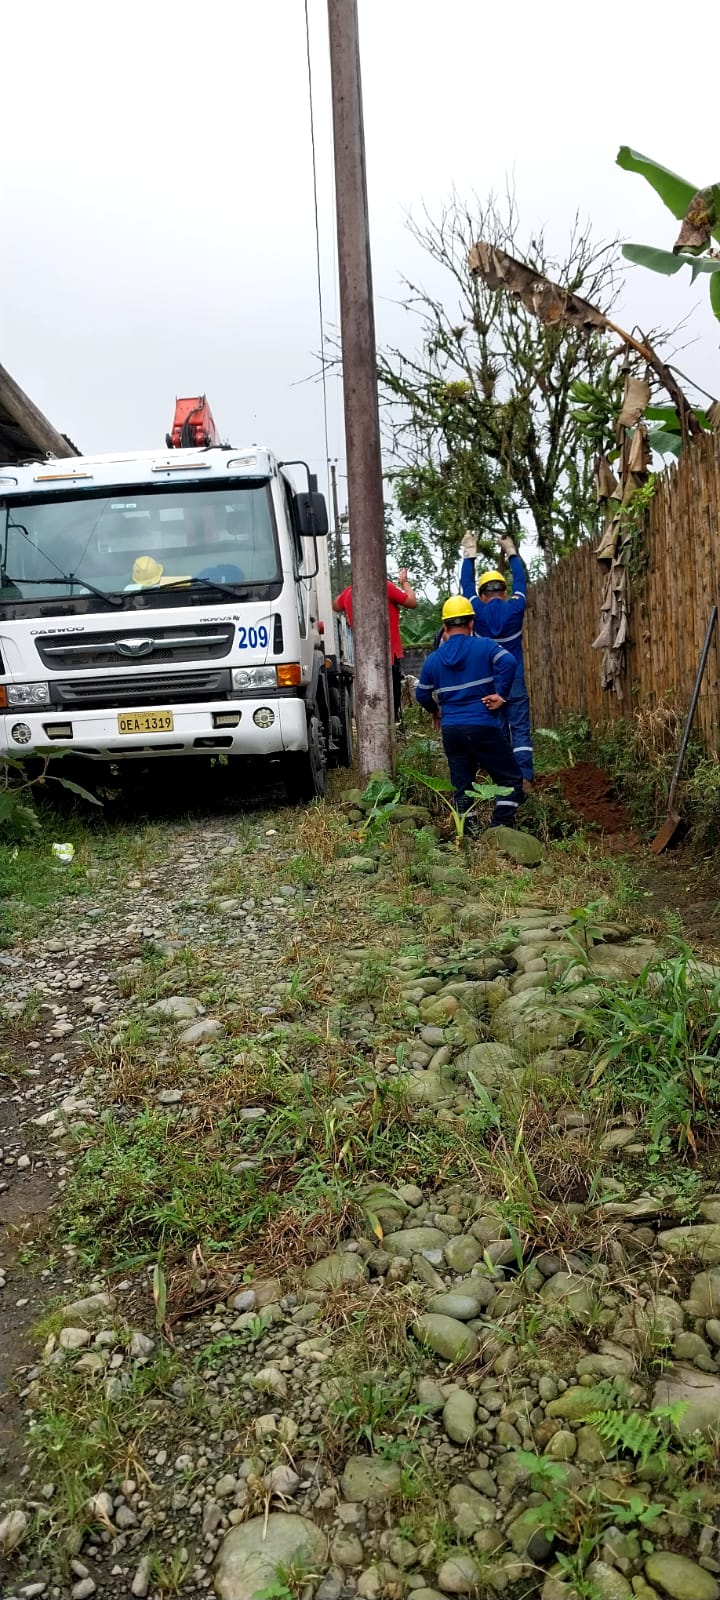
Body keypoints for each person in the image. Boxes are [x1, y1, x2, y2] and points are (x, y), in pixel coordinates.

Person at [415, 595, 523, 832]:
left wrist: (435, 712)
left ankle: (469, 832)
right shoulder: (485, 646)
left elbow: (421, 694)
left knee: (462, 785)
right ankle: (500, 826)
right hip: (483, 726)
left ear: (445, 627)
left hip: (452, 730)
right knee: (510, 778)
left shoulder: (433, 660)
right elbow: (508, 662)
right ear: (471, 623)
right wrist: (501, 695)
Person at [459, 532, 533, 785]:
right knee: (520, 728)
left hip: (490, 682)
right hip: (515, 680)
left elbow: (466, 585)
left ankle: (503, 778)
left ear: (482, 594)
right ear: (504, 591)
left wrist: (470, 554)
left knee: (497, 728)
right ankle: (525, 777)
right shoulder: (516, 607)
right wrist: (512, 552)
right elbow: (521, 581)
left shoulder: (476, 610)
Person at [333, 570, 417, 722]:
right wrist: (404, 582)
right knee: (391, 705)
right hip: (389, 657)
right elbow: (412, 602)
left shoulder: (348, 593)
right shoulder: (385, 587)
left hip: (364, 660)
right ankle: (392, 730)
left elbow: (335, 605)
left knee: (371, 701)